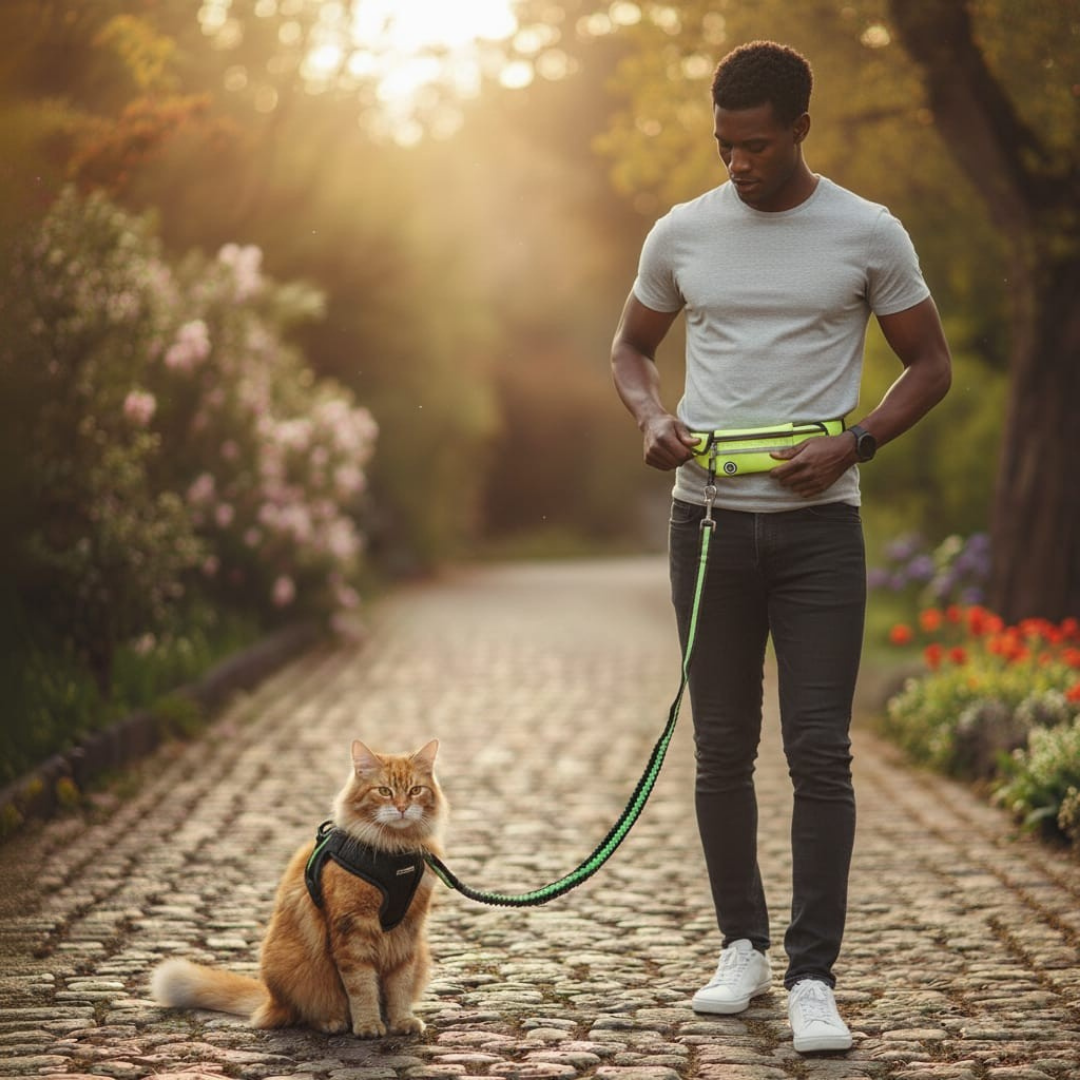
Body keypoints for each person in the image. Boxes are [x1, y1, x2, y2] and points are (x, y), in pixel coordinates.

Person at [610, 40, 951, 1054]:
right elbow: (630, 347)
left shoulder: (867, 232)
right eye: (724, 144)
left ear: (800, 128)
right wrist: (650, 416)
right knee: (722, 748)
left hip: (820, 534)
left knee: (819, 750)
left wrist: (857, 440)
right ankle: (742, 948)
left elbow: (930, 364)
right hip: (707, 523)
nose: (738, 163)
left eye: (755, 145)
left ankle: (813, 978)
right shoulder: (682, 232)